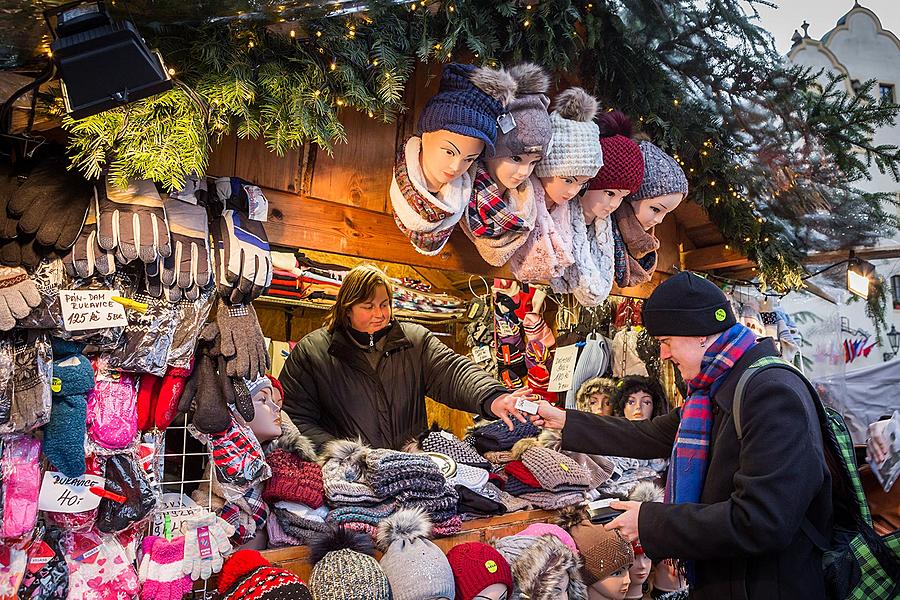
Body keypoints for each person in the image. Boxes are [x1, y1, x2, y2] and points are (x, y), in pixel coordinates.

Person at [531, 271, 833, 599]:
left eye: (665, 342)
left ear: (700, 335)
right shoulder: (714, 393)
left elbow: (762, 520)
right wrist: (563, 420)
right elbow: (647, 435)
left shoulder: (770, 393)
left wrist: (649, 521)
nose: (663, 355)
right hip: (732, 579)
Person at [280, 264, 529, 450]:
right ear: (347, 309)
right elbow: (293, 417)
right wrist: (343, 454)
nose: (380, 314)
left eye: (385, 304)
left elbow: (452, 372)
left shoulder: (414, 341)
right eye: (368, 306)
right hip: (347, 478)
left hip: (409, 470)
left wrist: (493, 397)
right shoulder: (313, 352)